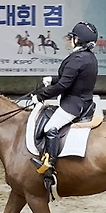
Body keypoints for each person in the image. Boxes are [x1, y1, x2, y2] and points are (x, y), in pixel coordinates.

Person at [30, 21, 99, 192]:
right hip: (84, 100)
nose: (69, 40)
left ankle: (49, 165)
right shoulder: (88, 57)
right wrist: (51, 80)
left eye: (72, 37)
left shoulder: (77, 59)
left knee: (50, 128)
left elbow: (63, 87)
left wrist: (41, 95)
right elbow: (71, 79)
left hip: (74, 104)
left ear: (78, 40)